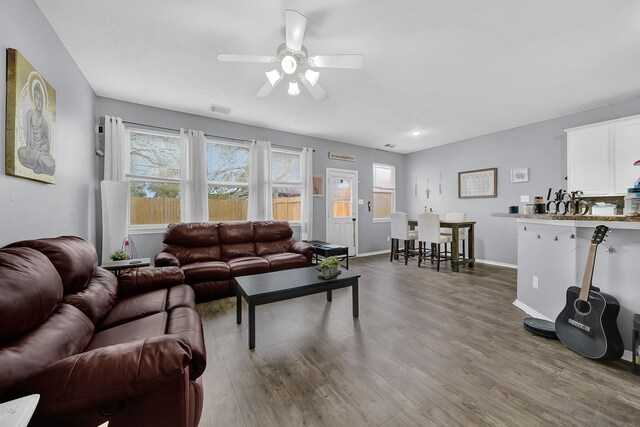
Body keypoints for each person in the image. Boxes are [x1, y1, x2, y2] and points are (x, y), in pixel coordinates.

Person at [18, 79, 55, 175]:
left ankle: (38, 164)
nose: (39, 101)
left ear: (43, 100)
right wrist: (28, 149)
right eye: (37, 98)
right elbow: (29, 137)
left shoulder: (45, 121)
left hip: (42, 153)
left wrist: (43, 149)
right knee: (20, 152)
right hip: (32, 151)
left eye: (41, 99)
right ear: (34, 99)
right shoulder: (30, 114)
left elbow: (47, 142)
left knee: (52, 164)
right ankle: (39, 165)